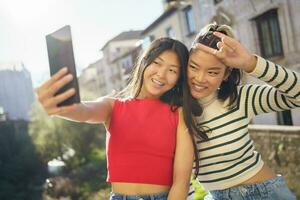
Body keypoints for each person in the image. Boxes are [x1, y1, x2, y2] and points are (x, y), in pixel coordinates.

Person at [37, 38, 195, 200]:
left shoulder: (180, 114)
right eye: (157, 63)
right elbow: (85, 111)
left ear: (178, 78)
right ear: (144, 62)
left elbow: (181, 182)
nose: (161, 74)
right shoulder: (113, 106)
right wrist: (61, 107)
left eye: (172, 70)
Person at [184, 23, 299, 200]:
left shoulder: (241, 98)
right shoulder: (177, 111)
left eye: (212, 72)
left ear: (226, 74)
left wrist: (250, 63)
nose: (200, 78)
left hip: (263, 194)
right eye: (193, 67)